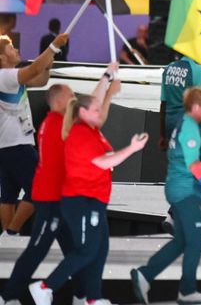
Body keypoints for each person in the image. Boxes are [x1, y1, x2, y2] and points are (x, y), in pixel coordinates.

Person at [3, 66, 117, 304]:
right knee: (40, 250)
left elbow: (92, 110)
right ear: (59, 101)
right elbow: (94, 110)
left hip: (64, 198)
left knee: (80, 249)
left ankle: (85, 296)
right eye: (71, 96)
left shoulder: (57, 122)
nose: (75, 99)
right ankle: (11, 295)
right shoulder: (60, 124)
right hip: (52, 199)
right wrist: (106, 84)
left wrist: (107, 84)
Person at [28, 91, 149, 305]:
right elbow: (101, 162)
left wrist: (109, 89)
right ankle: (45, 287)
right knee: (87, 250)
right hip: (81, 201)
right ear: (82, 112)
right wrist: (132, 148)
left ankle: (92, 299)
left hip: (95, 200)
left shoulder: (92, 132)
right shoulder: (80, 134)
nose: (100, 112)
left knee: (99, 250)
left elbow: (108, 158)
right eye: (95, 109)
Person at [131, 87, 201, 304]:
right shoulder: (190, 129)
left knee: (182, 240)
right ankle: (187, 290)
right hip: (187, 191)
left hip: (180, 188)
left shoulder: (182, 124)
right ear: (196, 107)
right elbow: (193, 165)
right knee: (196, 239)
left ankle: (145, 275)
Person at [1, 31, 68, 238]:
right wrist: (54, 47)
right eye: (11, 48)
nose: (17, 50)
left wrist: (48, 63)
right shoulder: (6, 76)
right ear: (1, 58)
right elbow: (34, 69)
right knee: (42, 185)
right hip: (16, 143)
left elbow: (39, 80)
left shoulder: (11, 78)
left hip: (8, 144)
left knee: (9, 194)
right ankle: (12, 231)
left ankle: (7, 236)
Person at [160, 52, 201, 151]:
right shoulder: (199, 71)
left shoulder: (169, 69)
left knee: (177, 161)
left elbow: (163, 104)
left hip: (170, 127)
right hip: (189, 128)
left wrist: (163, 135)